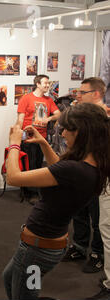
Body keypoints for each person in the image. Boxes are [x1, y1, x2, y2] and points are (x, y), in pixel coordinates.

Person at [3, 103, 110, 300]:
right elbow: (60, 170)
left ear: (80, 133)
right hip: (44, 245)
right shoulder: (90, 165)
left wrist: (14, 144)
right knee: (9, 278)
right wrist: (43, 143)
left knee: (25, 295)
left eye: (66, 129)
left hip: (37, 251)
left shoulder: (75, 169)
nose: (62, 134)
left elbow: (13, 177)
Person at [62, 78, 108, 273]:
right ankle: (80, 247)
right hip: (79, 170)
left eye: (82, 92)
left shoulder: (105, 116)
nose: (78, 95)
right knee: (79, 211)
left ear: (96, 94)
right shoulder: (81, 115)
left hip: (98, 174)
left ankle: (97, 254)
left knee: (98, 217)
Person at [17, 74, 61, 205]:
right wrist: (19, 132)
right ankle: (30, 192)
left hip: (41, 137)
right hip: (28, 137)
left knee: (37, 164)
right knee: (29, 164)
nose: (47, 85)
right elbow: (20, 118)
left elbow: (59, 113)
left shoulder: (49, 100)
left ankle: (33, 191)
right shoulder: (26, 98)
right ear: (37, 84)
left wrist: (49, 119)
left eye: (48, 83)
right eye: (45, 83)